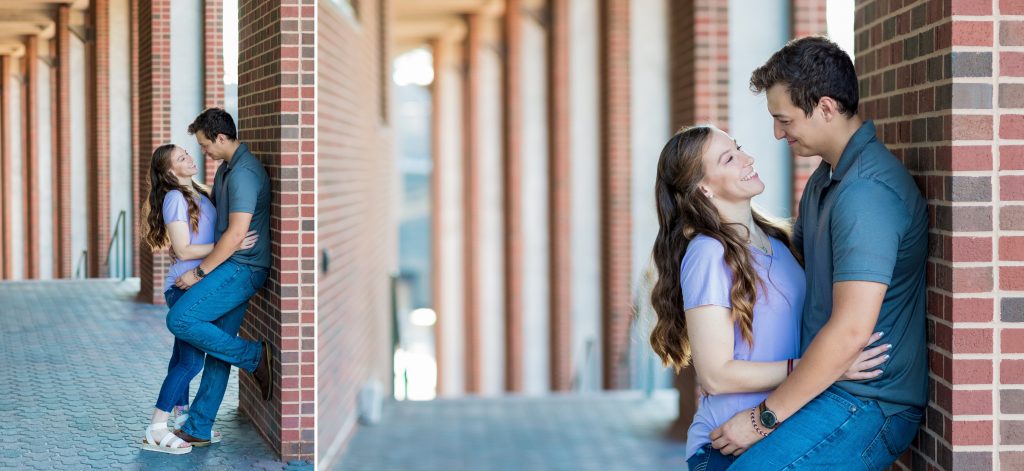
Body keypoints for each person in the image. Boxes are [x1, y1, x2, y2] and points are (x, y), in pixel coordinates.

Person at [710, 36, 928, 471]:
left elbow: (850, 332)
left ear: (826, 108)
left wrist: (761, 419)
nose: (777, 133)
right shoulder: (825, 182)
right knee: (708, 463)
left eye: (784, 119)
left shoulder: (866, 194)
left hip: (869, 403)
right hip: (827, 386)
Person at [649, 124, 889, 471]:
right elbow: (716, 375)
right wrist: (822, 368)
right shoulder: (707, 253)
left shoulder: (777, 241)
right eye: (729, 158)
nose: (748, 159)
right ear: (703, 187)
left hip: (781, 434)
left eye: (740, 147)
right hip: (726, 447)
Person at [165, 108, 275, 447]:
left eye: (204, 144)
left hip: (244, 268)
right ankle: (198, 427)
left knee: (180, 319)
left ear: (221, 138)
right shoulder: (227, 169)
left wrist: (199, 272)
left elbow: (237, 233)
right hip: (231, 264)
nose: (202, 152)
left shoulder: (243, 174)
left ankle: (253, 357)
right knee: (217, 345)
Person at [139, 144, 257, 454]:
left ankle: (182, 417)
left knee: (182, 359)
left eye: (187, 153)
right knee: (191, 363)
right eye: (181, 158)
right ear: (169, 172)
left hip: (198, 285)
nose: (189, 158)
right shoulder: (175, 199)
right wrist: (230, 244)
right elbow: (185, 249)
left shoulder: (201, 192)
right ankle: (155, 428)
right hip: (183, 287)